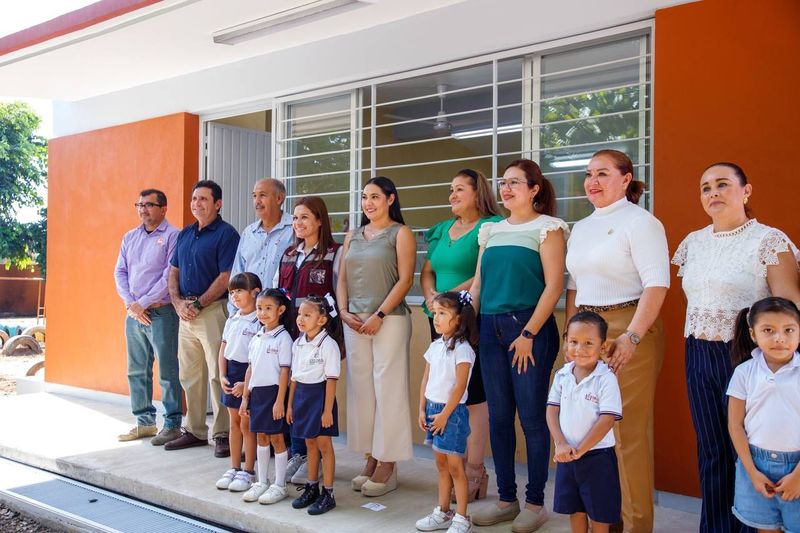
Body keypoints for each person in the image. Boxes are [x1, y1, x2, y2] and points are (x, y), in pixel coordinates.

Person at [672, 162, 800, 533]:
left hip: (747, 358)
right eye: (706, 187)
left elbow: (790, 304)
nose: (713, 192)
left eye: (722, 184)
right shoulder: (692, 243)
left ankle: (751, 525)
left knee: (747, 450)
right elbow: (695, 299)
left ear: (745, 191)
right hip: (698, 351)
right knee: (711, 448)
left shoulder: (768, 240)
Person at [565, 149, 669, 533]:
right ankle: (604, 522)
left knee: (625, 435)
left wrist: (633, 337)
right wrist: (571, 334)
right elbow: (574, 285)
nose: (593, 181)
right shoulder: (583, 226)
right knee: (586, 428)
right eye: (589, 173)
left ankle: (636, 525)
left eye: (603, 173)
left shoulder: (641, 223)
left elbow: (657, 284)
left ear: (626, 179)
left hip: (629, 325)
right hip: (586, 330)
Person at [469, 159, 568, 532]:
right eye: (503, 183)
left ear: (534, 188)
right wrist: (465, 327)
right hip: (490, 330)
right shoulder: (490, 230)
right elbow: (478, 285)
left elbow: (554, 286)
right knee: (497, 417)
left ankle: (536, 503)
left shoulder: (548, 228)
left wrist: (527, 334)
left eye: (515, 182)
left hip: (528, 329)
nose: (506, 189)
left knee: (531, 418)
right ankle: (507, 500)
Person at [420, 169, 503, 502]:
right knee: (444, 384)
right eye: (450, 189)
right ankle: (450, 460)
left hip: (469, 318)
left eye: (459, 189)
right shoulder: (442, 229)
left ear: (477, 192)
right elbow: (428, 271)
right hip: (438, 318)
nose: (452, 195)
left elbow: (486, 271)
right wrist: (431, 298)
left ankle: (474, 469)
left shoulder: (491, 226)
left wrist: (450, 297)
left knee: (472, 394)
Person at [336, 176, 416, 497]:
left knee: (389, 388)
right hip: (353, 321)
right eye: (365, 198)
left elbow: (406, 279)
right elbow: (341, 277)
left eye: (375, 197)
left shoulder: (401, 233)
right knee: (362, 391)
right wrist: (343, 311)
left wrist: (379, 314)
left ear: (390, 200)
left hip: (389, 321)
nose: (368, 203)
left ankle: (389, 462)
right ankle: (371, 456)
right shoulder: (352, 236)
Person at [165, 180, 240, 457]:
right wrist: (176, 302)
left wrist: (198, 303)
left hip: (211, 312)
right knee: (190, 374)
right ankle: (195, 431)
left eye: (203, 199)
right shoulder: (185, 234)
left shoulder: (226, 234)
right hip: (184, 313)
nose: (197, 204)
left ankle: (222, 433)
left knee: (218, 375)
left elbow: (226, 277)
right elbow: (173, 270)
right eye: (194, 199)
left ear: (217, 204)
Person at [274, 195, 342, 484]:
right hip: (289, 337)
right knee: (294, 396)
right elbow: (280, 293)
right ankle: (298, 454)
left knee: (314, 397)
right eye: (295, 217)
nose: (298, 223)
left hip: (318, 340)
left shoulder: (334, 253)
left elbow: (339, 295)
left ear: (319, 220)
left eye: (304, 217)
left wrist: (324, 332)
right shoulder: (289, 253)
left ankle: (314, 457)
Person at [113, 189, 182, 445]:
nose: (143, 209)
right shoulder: (130, 237)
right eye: (139, 205)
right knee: (136, 370)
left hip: (162, 312)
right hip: (134, 314)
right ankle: (144, 423)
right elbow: (120, 271)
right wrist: (131, 304)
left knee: (167, 370)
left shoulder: (174, 236)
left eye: (149, 205)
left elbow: (169, 276)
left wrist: (141, 304)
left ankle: (173, 424)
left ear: (163, 208)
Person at [727, 297, 800, 533]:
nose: (779, 338)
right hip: (755, 466)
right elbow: (735, 425)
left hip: (797, 468)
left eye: (788, 330)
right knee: (765, 529)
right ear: (753, 334)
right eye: (768, 330)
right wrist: (752, 473)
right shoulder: (743, 372)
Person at [547, 312, 622, 533]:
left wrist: (581, 450)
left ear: (602, 346)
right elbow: (552, 411)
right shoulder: (562, 375)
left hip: (597, 457)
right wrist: (560, 443)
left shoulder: (606, 378)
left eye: (588, 343)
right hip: (567, 456)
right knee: (575, 509)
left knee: (600, 513)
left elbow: (607, 419)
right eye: (574, 342)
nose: (579, 349)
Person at [415, 291, 478, 533]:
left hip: (451, 414)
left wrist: (444, 415)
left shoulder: (463, 350)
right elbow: (425, 380)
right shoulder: (435, 346)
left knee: (455, 467)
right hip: (433, 410)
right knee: (441, 464)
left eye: (443, 313)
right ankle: (443, 511)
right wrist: (422, 409)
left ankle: (462, 516)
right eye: (435, 313)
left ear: (459, 319)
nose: (436, 318)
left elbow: (460, 386)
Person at [287, 294, 343, 515]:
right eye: (300, 314)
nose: (300, 319)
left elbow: (331, 380)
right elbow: (294, 377)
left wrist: (327, 410)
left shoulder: (328, 345)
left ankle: (328, 493)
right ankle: (312, 487)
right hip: (302, 396)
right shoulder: (298, 343)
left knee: (324, 446)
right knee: (309, 444)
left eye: (307, 315)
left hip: (320, 398)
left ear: (321, 320)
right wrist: (290, 405)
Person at [239, 288, 295, 505]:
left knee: (276, 438)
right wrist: (245, 397)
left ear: (280, 310)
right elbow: (250, 369)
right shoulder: (257, 337)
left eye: (268, 308)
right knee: (261, 437)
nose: (262, 313)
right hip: (257, 394)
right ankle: (262, 481)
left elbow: (284, 372)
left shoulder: (284, 338)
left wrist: (280, 400)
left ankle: (279, 485)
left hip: (274, 393)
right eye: (260, 308)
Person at [215, 273, 262, 493]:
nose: (235, 296)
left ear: (255, 293)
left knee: (246, 424)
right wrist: (222, 374)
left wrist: (247, 384)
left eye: (239, 291)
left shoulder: (260, 321)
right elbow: (223, 348)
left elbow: (259, 358)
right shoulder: (232, 319)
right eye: (232, 292)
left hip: (249, 374)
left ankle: (249, 471)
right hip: (231, 373)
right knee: (234, 422)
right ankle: (234, 467)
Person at [230, 178, 294, 313]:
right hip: (249, 313)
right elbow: (237, 272)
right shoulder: (248, 233)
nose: (257, 201)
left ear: (279, 198)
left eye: (262, 195)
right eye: (254, 196)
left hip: (281, 313)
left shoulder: (295, 229)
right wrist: (234, 313)